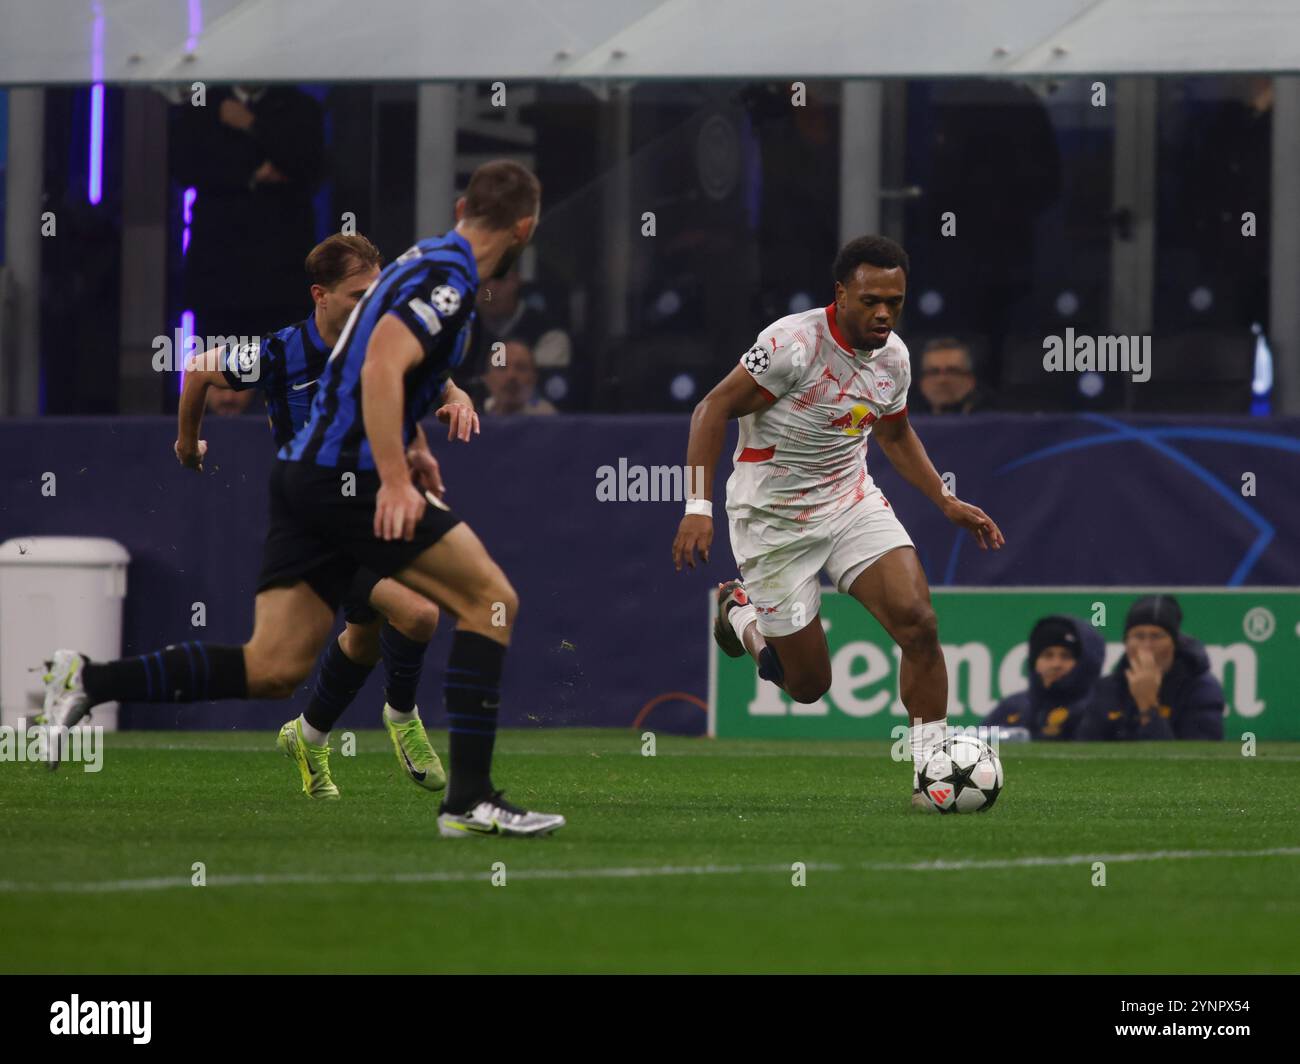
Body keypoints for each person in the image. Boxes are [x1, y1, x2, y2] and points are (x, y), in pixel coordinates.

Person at [43, 161, 564, 838]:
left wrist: (413, 445)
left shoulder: (421, 259)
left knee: (274, 667)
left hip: (304, 475)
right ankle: (466, 799)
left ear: (463, 205)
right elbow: (378, 367)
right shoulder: (450, 279)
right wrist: (395, 477)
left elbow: (370, 365)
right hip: (346, 477)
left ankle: (89, 679)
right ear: (525, 228)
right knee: (491, 601)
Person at [671, 235, 1005, 811]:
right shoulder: (791, 345)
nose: (883, 313)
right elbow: (711, 409)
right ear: (841, 292)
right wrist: (696, 508)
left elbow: (894, 434)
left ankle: (931, 770)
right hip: (770, 520)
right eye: (871, 299)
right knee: (807, 685)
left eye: (895, 303)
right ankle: (739, 611)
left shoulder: (894, 358)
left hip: (850, 502)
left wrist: (945, 501)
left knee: (918, 622)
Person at [172, 232, 448, 799]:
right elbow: (198, 369)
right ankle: (402, 720)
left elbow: (433, 370)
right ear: (320, 295)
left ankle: (308, 734)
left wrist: (458, 397)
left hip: (371, 509)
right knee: (418, 614)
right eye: (357, 295)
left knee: (363, 640)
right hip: (319, 523)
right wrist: (186, 444)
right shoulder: (281, 352)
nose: (369, 305)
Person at [1078, 595, 1225, 740]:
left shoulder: (1201, 689)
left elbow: (1195, 759)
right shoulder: (1107, 688)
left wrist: (1147, 704)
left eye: (1156, 636)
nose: (1146, 646)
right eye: (1138, 636)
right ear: (1126, 643)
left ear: (1174, 643)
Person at [984, 616, 1102, 740]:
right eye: (1047, 655)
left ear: (1085, 663)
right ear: (1034, 661)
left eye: (1066, 656)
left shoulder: (1098, 708)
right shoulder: (1013, 707)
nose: (1056, 664)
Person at [914, 338, 994, 415]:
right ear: (922, 382)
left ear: (970, 380)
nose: (942, 380)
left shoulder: (995, 419)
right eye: (934, 372)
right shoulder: (906, 420)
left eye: (952, 371)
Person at [483, 339, 557, 416]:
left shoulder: (547, 418)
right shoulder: (473, 415)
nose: (511, 376)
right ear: (488, 379)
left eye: (521, 368)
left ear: (533, 378)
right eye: (502, 368)